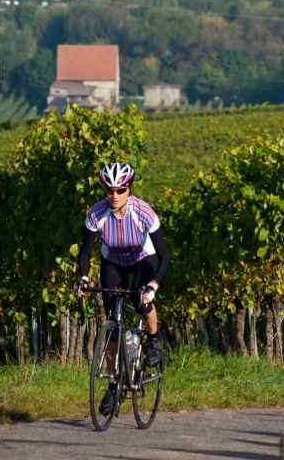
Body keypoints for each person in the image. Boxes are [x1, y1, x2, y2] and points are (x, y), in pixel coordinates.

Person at [75, 162, 171, 416]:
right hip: (113, 262)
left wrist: (153, 285)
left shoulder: (144, 213)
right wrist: (83, 278)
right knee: (111, 326)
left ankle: (153, 340)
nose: (114, 196)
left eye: (120, 190)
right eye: (109, 190)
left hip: (143, 260)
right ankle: (114, 385)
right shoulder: (97, 214)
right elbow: (85, 252)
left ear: (129, 189)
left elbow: (165, 256)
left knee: (142, 302)